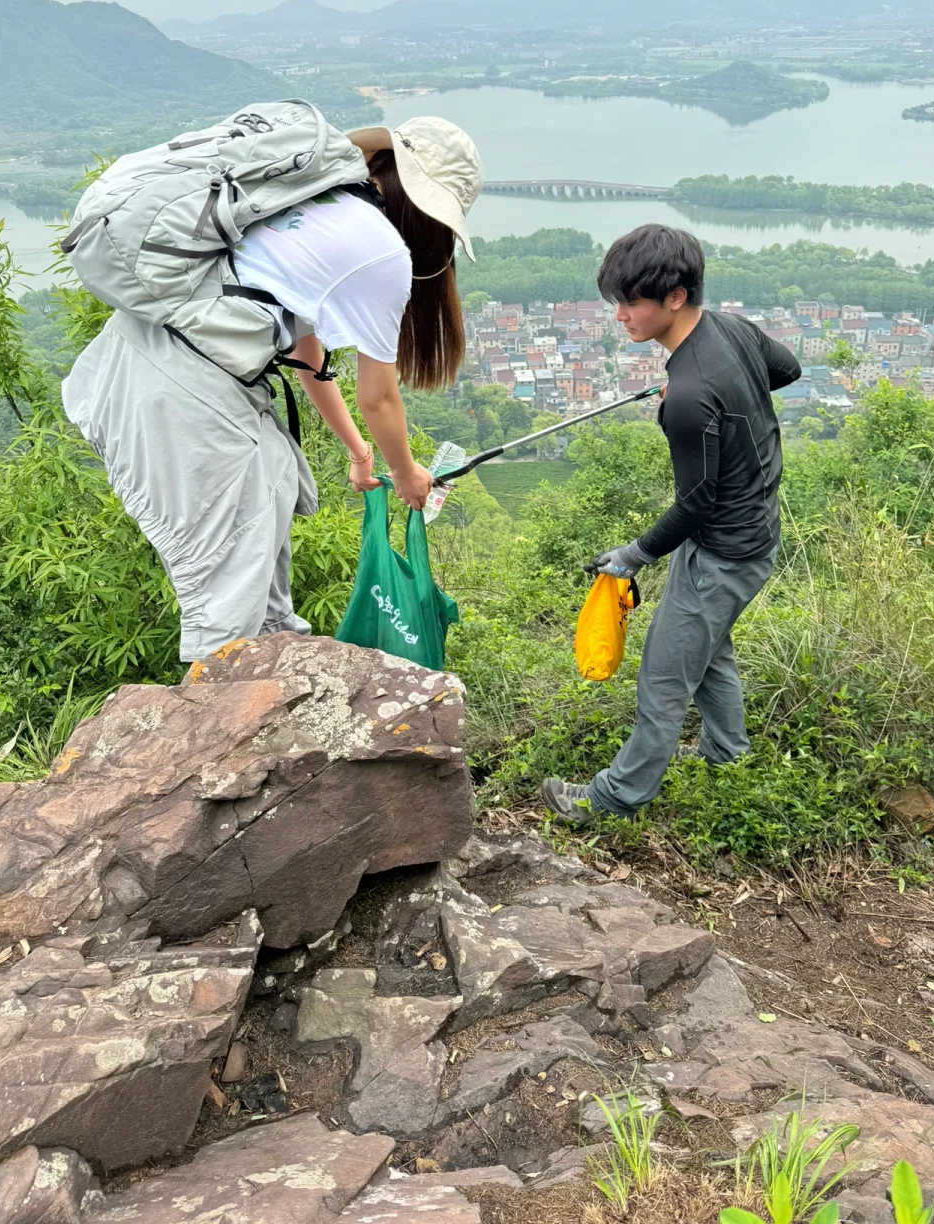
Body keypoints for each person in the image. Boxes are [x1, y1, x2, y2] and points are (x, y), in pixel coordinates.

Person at [62, 116, 481, 663]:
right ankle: (218, 734)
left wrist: (359, 453)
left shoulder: (308, 201)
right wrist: (406, 475)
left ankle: (268, 699)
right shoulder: (381, 253)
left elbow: (309, 357)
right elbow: (378, 396)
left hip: (142, 363)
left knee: (266, 521)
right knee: (228, 598)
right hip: (186, 395)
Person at [539, 224, 800, 824]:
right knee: (708, 653)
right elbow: (786, 369)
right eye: (618, 301)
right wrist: (712, 396)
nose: (621, 316)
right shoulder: (729, 330)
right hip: (756, 531)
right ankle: (727, 755)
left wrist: (635, 553)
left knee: (662, 678)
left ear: (676, 297)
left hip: (723, 550)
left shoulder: (687, 396)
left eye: (632, 302)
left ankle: (611, 798)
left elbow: (697, 503)